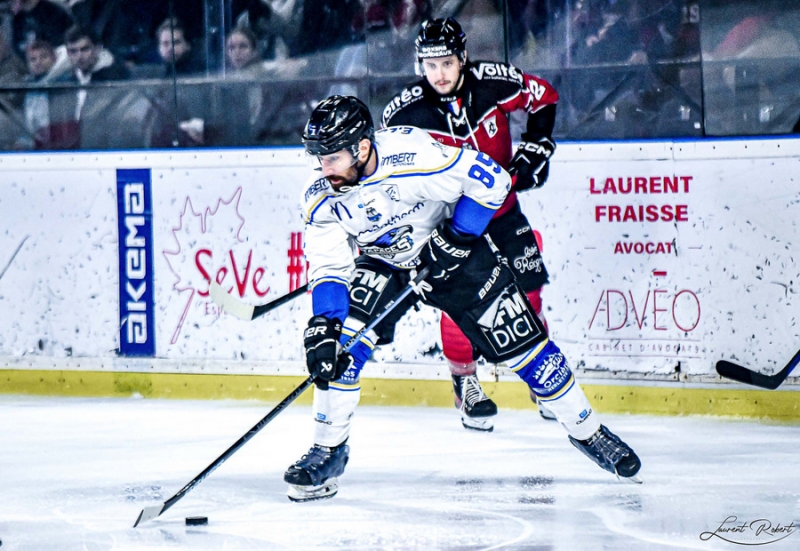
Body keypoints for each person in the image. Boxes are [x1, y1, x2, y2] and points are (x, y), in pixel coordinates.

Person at [285, 95, 642, 502]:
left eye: (331, 157)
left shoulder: (413, 155)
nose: (323, 168)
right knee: (342, 347)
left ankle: (588, 431)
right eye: (319, 158)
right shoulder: (319, 196)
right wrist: (324, 325)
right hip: (383, 261)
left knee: (526, 347)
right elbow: (330, 268)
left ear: (362, 146)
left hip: (454, 253)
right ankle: (328, 451)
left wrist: (457, 237)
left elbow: (493, 180)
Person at [382, 17, 559, 431]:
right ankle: (465, 384)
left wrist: (537, 146)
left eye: (446, 63)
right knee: (460, 300)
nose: (438, 74)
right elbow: (385, 175)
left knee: (529, 291)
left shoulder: (492, 83)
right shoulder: (404, 113)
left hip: (502, 210)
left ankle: (543, 379)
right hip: (452, 223)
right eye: (430, 65)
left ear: (463, 57)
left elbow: (544, 96)